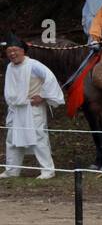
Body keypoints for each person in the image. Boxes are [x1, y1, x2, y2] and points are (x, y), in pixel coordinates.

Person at [3, 35, 63, 179]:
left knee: (39, 137)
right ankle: (12, 170)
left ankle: (48, 170)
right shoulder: (9, 67)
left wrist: (42, 95)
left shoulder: (34, 65)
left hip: (32, 107)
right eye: (9, 51)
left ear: (23, 50)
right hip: (15, 109)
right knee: (12, 139)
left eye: (15, 50)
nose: (12, 53)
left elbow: (50, 79)